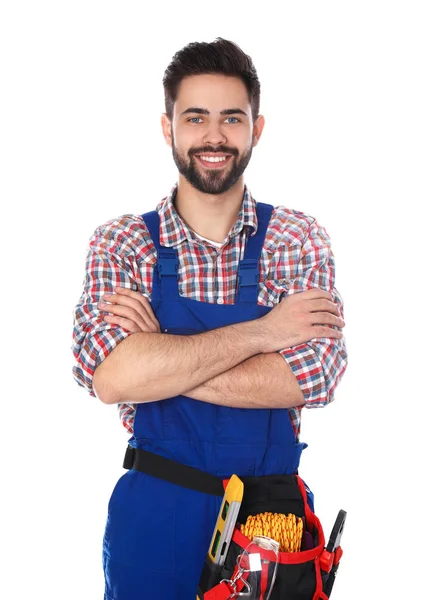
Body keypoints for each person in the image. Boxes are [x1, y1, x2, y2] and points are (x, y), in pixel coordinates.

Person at [72, 37, 348, 600]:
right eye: (195, 117)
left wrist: (158, 354)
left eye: (232, 118)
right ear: (168, 127)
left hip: (272, 523)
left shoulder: (296, 238)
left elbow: (312, 378)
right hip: (155, 510)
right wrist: (265, 332)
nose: (214, 136)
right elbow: (110, 378)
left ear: (257, 128)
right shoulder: (122, 243)